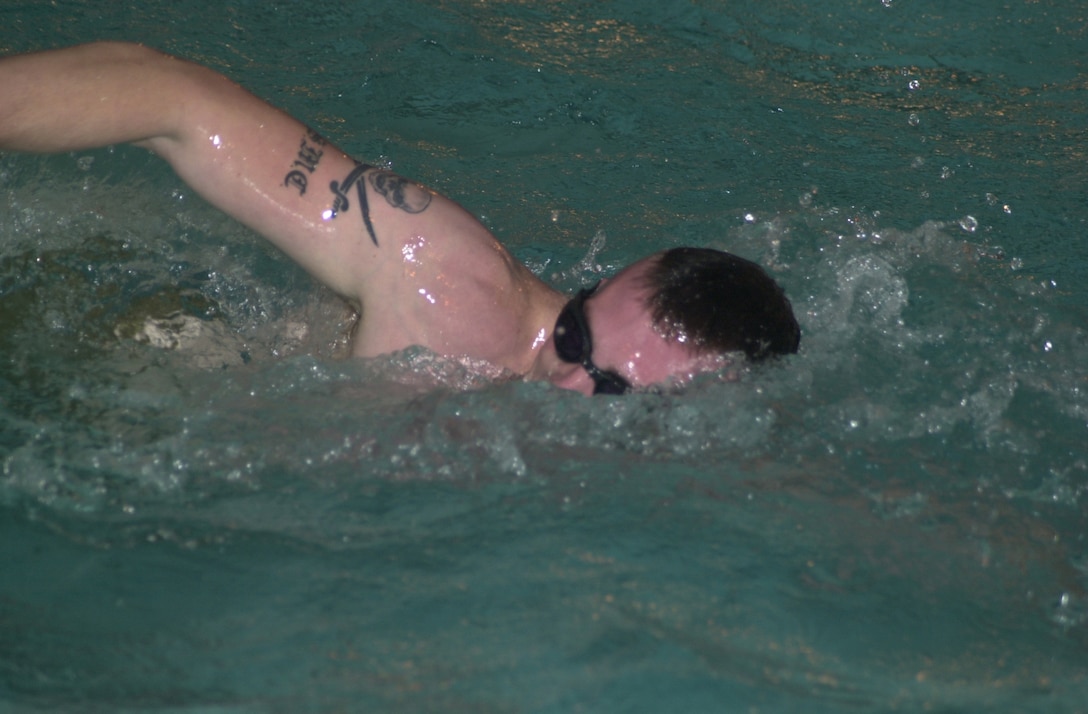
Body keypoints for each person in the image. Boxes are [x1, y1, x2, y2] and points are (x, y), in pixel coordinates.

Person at [0, 42, 800, 395]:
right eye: (574, 337)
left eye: (613, 391)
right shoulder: (445, 275)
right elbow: (173, 100)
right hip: (100, 372)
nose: (561, 381)